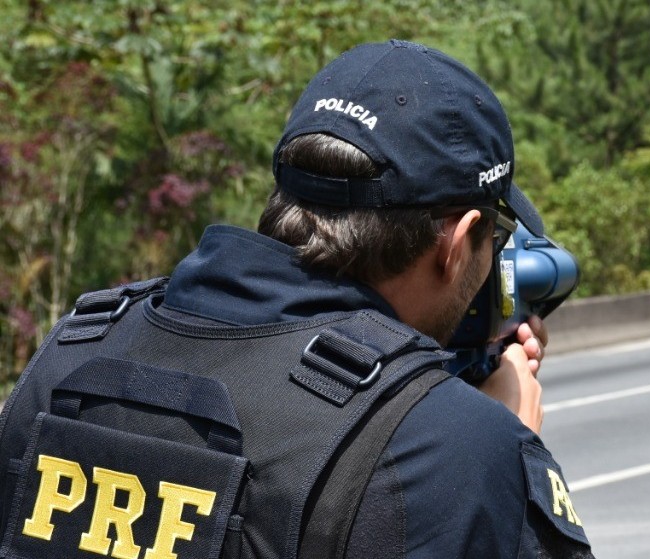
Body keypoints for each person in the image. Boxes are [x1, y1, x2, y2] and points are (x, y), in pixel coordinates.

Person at [0, 39, 592, 558]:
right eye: (496, 236)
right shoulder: (457, 453)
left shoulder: (71, 353)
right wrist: (500, 450)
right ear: (458, 243)